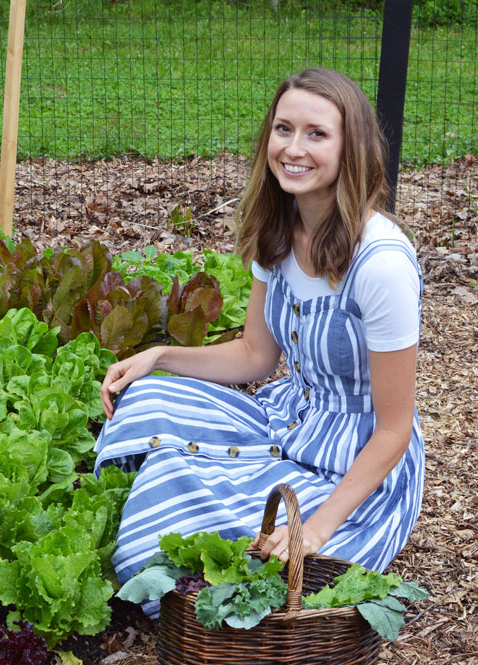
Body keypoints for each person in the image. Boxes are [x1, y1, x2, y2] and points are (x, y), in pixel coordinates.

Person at [93, 67, 424, 617]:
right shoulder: (281, 228)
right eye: (283, 129)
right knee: (146, 398)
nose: (294, 148)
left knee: (221, 526)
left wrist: (316, 528)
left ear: (352, 148)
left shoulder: (382, 263)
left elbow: (394, 430)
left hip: (354, 460)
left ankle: (198, 519)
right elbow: (256, 356)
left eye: (317, 134)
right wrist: (159, 356)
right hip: (292, 414)